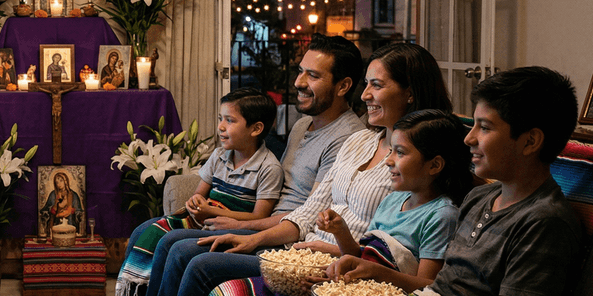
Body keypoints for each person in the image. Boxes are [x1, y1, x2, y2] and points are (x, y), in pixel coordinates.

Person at [157, 43, 453, 296]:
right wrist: (251, 237)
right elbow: (309, 210)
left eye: (376, 85)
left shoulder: (412, 168)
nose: (364, 95)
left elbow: (386, 249)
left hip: (333, 262)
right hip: (300, 250)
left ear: (410, 94)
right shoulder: (359, 140)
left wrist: (323, 250)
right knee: (179, 244)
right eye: (366, 84)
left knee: (196, 261)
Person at [139, 35, 367, 296]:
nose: (298, 82)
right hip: (267, 225)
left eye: (313, 75)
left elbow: (310, 215)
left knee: (185, 253)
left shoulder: (347, 140)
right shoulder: (304, 124)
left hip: (287, 243)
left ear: (343, 86)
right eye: (300, 71)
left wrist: (244, 228)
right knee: (165, 239)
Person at [336, 67, 584, 296]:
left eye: (485, 128)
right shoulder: (479, 198)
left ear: (530, 142)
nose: (469, 139)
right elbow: (442, 284)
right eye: (473, 125)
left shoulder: (543, 223)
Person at [213, 110, 472, 296]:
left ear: (435, 164)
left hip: (382, 289)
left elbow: (427, 285)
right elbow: (360, 255)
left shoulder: (441, 215)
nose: (389, 160)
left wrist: (372, 273)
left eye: (400, 152)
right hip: (356, 285)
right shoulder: (393, 200)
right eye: (390, 150)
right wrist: (340, 236)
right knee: (227, 290)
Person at [117, 88, 281, 295]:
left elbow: (259, 217)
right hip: (204, 219)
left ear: (256, 129)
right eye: (221, 118)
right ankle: (134, 288)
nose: (221, 127)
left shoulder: (269, 168)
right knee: (142, 230)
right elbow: (198, 194)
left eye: (230, 120)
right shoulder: (219, 155)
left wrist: (213, 212)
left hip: (232, 227)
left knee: (169, 241)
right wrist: (196, 203)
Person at [40, 169, 84, 234]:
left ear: (65, 181)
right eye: (57, 182)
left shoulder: (73, 195)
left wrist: (72, 210)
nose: (59, 184)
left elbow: (79, 211)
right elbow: (45, 209)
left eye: (61, 181)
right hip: (56, 223)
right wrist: (53, 209)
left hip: (70, 222)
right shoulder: (53, 194)